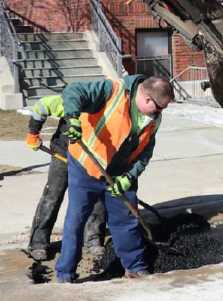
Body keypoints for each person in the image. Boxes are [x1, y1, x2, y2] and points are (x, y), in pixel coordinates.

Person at [54, 75, 175, 283]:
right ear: (147, 100)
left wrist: (130, 176)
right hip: (87, 167)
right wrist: (73, 117)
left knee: (126, 219)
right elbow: (73, 90)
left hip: (120, 174)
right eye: (160, 108)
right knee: (76, 219)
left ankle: (135, 266)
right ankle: (66, 272)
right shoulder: (113, 90)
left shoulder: (154, 118)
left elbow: (146, 151)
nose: (161, 113)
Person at [24, 94, 108, 261]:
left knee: (97, 199)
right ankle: (39, 242)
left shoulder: (111, 111)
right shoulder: (73, 100)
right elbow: (42, 105)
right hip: (63, 156)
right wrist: (33, 133)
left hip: (91, 160)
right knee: (52, 198)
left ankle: (92, 238)